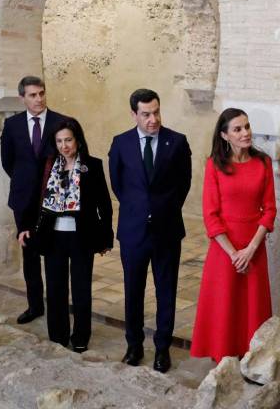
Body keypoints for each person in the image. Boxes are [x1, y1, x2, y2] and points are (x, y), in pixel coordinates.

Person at [109, 89, 192, 373]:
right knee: (133, 291)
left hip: (167, 231)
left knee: (166, 292)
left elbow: (183, 184)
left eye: (156, 112)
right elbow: (118, 186)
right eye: (146, 114)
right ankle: (134, 345)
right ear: (134, 114)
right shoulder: (121, 143)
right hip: (133, 232)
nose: (153, 119)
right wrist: (140, 210)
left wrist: (161, 210)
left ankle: (162, 349)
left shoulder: (177, 142)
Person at [17, 118, 113, 353]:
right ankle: (58, 336)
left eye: (68, 140)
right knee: (56, 287)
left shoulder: (93, 165)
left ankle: (80, 336)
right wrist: (26, 226)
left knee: (81, 288)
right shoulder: (48, 165)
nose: (64, 145)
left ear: (78, 141)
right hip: (53, 237)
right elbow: (35, 200)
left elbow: (105, 205)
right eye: (59, 141)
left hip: (81, 237)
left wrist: (105, 238)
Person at [190, 108, 276, 362]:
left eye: (247, 127)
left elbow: (269, 210)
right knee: (224, 305)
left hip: (254, 246)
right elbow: (211, 215)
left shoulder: (263, 163)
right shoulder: (214, 165)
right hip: (224, 249)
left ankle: (253, 360)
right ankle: (222, 359)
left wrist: (250, 250)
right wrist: (234, 253)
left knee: (252, 307)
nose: (246, 133)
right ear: (225, 135)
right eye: (238, 129)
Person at [0, 76, 66, 324]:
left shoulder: (61, 122)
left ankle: (57, 306)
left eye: (41, 93)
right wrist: (24, 182)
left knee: (54, 253)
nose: (39, 99)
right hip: (23, 200)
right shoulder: (13, 125)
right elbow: (8, 161)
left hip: (52, 200)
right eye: (33, 95)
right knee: (29, 256)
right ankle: (35, 305)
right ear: (22, 98)